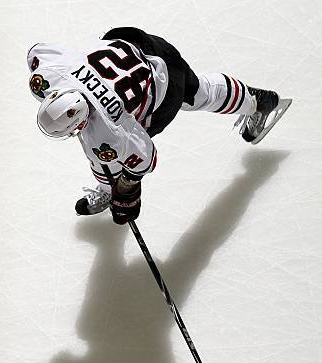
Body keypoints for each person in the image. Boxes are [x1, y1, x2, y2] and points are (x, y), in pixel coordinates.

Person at [27, 27, 291, 225]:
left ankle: (259, 103)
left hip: (164, 80)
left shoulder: (109, 132)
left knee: (106, 156)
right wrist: (126, 192)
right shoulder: (48, 73)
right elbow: (36, 50)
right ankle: (257, 101)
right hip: (137, 41)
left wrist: (125, 191)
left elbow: (144, 159)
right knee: (199, 91)